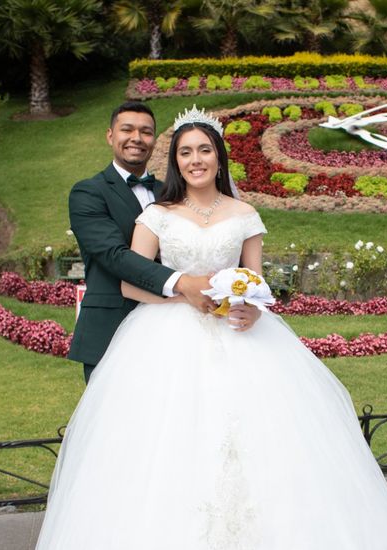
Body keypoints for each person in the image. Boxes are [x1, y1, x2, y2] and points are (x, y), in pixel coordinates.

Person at [36, 107, 387, 550]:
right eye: (186, 152)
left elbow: (257, 284)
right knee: (155, 442)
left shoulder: (244, 213)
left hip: (241, 337)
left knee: (261, 439)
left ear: (219, 157)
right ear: (171, 158)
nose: (195, 160)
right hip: (162, 337)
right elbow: (126, 273)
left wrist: (254, 309)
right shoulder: (144, 208)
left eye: (204, 150)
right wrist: (187, 291)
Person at [67, 101, 259, 383]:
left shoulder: (171, 195)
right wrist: (185, 285)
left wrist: (251, 307)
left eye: (145, 132)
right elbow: (115, 256)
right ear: (110, 135)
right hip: (115, 327)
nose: (136, 138)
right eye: (127, 129)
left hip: (195, 326)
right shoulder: (88, 193)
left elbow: (246, 272)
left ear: (155, 140)